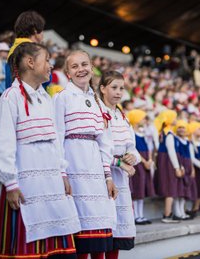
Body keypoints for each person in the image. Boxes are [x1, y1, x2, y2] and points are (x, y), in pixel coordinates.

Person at [0, 42, 81, 259]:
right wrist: (10, 183)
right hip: (25, 183)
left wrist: (62, 172)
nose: (50, 66)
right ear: (30, 62)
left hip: (50, 181)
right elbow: (4, 143)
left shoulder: (46, 98)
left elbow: (55, 141)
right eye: (46, 60)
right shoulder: (11, 97)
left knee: (56, 245)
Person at [54, 50, 118, 259]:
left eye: (84, 64)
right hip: (73, 165)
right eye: (74, 66)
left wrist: (108, 176)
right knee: (80, 232)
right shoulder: (61, 98)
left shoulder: (97, 101)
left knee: (98, 232)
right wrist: (62, 173)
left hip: (96, 170)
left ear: (92, 67)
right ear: (68, 73)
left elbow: (104, 141)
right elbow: (57, 137)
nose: (81, 69)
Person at [99, 70, 140, 259]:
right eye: (113, 87)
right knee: (102, 226)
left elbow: (132, 147)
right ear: (102, 88)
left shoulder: (122, 117)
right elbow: (98, 148)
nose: (118, 92)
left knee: (117, 230)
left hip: (121, 178)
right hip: (103, 175)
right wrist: (119, 162)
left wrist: (132, 157)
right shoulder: (99, 113)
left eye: (121, 88)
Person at [154, 110, 181, 223]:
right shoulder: (168, 134)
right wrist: (177, 167)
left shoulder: (163, 133)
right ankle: (167, 214)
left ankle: (168, 213)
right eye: (174, 117)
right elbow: (171, 152)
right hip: (168, 163)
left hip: (164, 161)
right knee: (170, 188)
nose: (176, 119)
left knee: (170, 187)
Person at [6, 11, 46, 88]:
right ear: (35, 30)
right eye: (42, 30)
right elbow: (46, 79)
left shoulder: (15, 47)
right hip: (28, 96)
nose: (43, 34)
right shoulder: (33, 50)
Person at [129, 109, 155, 225]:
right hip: (138, 162)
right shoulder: (131, 133)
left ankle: (141, 215)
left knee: (143, 188)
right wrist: (144, 161)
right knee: (137, 189)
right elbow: (134, 150)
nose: (144, 120)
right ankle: (135, 216)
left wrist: (149, 160)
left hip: (145, 162)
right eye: (142, 118)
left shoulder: (143, 133)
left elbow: (148, 147)